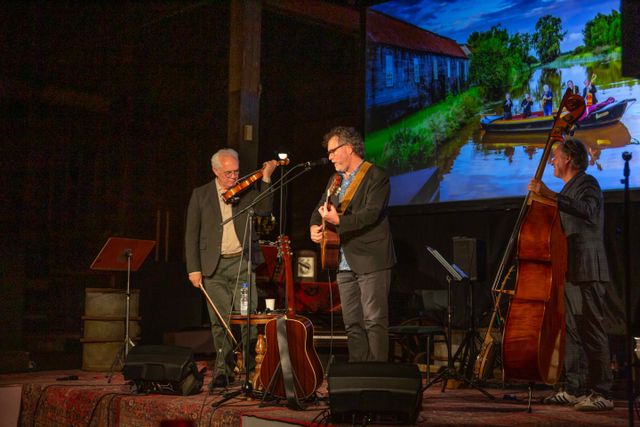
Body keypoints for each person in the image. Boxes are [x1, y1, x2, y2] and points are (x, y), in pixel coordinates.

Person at [528, 138, 613, 411]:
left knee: (592, 329)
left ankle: (603, 392)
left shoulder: (588, 183)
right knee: (573, 330)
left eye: (556, 156)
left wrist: (551, 195)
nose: (552, 161)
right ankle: (574, 388)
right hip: (571, 267)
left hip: (588, 267)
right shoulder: (568, 188)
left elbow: (587, 210)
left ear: (568, 159)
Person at [185, 148, 277, 389]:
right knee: (220, 321)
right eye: (228, 173)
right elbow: (191, 234)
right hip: (212, 267)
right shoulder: (201, 194)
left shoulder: (245, 190)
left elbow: (265, 209)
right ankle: (223, 371)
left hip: (242, 263)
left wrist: (266, 178)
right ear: (215, 170)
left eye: (236, 172)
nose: (233, 177)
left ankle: (253, 369)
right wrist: (193, 269)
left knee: (248, 318)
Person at [309, 126, 396, 362]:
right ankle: (358, 371)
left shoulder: (376, 176)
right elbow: (319, 210)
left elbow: (371, 214)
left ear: (348, 148)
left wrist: (339, 221)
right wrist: (314, 228)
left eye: (333, 151)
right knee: (352, 323)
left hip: (371, 259)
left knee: (374, 320)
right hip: (342, 261)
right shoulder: (335, 180)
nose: (330, 157)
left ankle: (377, 374)